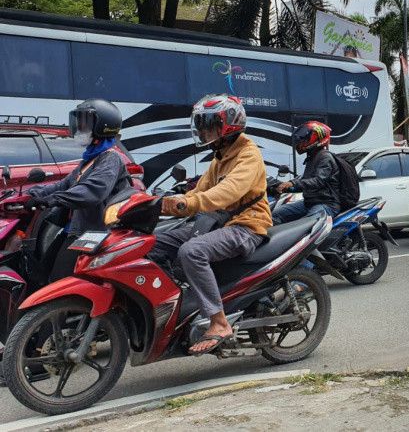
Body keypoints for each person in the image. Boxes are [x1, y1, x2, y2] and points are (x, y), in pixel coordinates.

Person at [150, 94, 271, 356]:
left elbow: (227, 192)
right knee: (152, 243)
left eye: (208, 124)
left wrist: (187, 204)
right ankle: (173, 305)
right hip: (220, 223)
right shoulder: (220, 156)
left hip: (247, 226)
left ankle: (219, 322)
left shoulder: (248, 155)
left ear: (228, 125)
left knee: (192, 251)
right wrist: (163, 202)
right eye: (201, 124)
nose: (203, 131)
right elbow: (200, 190)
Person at [25, 99, 132, 282]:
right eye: (79, 122)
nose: (79, 127)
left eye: (85, 123)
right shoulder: (89, 159)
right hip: (76, 229)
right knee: (43, 271)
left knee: (61, 281)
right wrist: (33, 194)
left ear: (102, 126)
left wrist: (51, 200)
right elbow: (64, 185)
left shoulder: (110, 159)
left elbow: (92, 191)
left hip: (95, 232)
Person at [273, 121, 340, 224]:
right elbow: (304, 180)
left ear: (316, 138)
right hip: (309, 203)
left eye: (305, 139)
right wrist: (285, 186)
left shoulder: (325, 157)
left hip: (326, 204)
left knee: (305, 227)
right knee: (275, 214)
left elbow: (318, 181)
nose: (301, 142)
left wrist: (293, 183)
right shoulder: (312, 157)